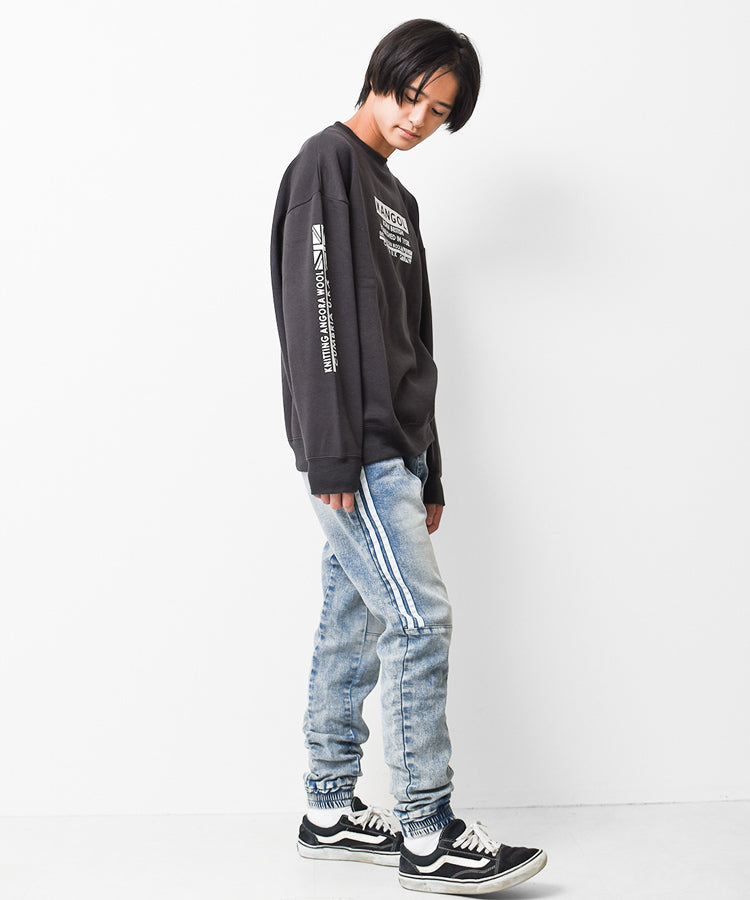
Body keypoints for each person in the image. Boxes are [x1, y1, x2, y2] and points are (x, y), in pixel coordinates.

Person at [270, 19, 547, 894]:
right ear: (379, 75)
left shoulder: (399, 199)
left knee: (353, 624)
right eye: (412, 96)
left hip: (397, 450)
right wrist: (330, 453)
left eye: (439, 112)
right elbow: (315, 312)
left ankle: (329, 809)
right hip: (353, 451)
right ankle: (428, 831)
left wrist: (433, 464)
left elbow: (414, 342)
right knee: (420, 623)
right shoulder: (326, 164)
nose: (418, 120)